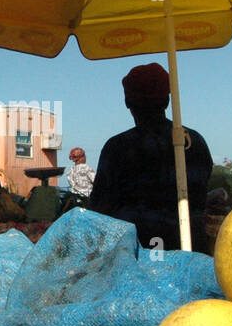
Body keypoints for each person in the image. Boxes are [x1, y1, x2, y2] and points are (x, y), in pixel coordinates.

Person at [88, 62, 214, 252]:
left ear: (127, 102)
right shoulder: (193, 141)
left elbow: (99, 210)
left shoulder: (118, 147)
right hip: (191, 249)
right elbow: (201, 195)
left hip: (140, 254)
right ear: (167, 100)